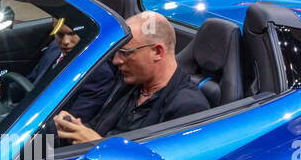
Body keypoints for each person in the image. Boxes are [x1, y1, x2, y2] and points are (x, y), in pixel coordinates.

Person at [55, 11, 207, 143]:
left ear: (157, 52)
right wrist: (72, 128)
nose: (116, 61)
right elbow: (97, 127)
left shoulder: (188, 107)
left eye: (125, 52)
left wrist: (97, 145)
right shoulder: (132, 84)